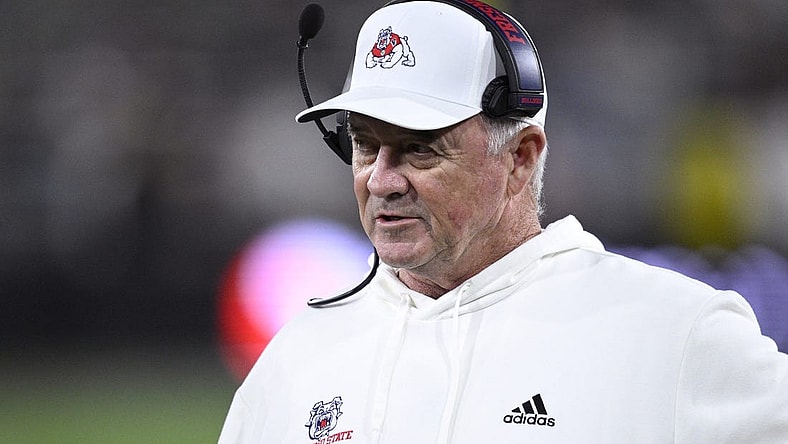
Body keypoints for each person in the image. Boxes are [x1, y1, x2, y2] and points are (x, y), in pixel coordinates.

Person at [218, 1, 788, 443]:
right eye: (366, 146)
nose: (382, 180)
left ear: (520, 157)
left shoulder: (677, 334)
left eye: (420, 150)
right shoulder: (296, 359)